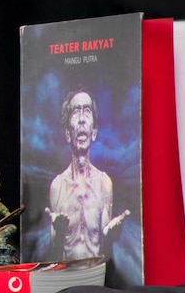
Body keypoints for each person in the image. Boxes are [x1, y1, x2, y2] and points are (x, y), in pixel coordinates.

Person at [44, 88, 130, 260]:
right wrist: (59, 235)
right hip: (66, 279)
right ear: (68, 134)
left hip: (94, 281)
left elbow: (105, 252)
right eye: (76, 112)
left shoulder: (104, 183)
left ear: (94, 132)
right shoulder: (58, 186)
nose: (82, 119)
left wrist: (111, 239)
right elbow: (53, 255)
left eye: (87, 111)